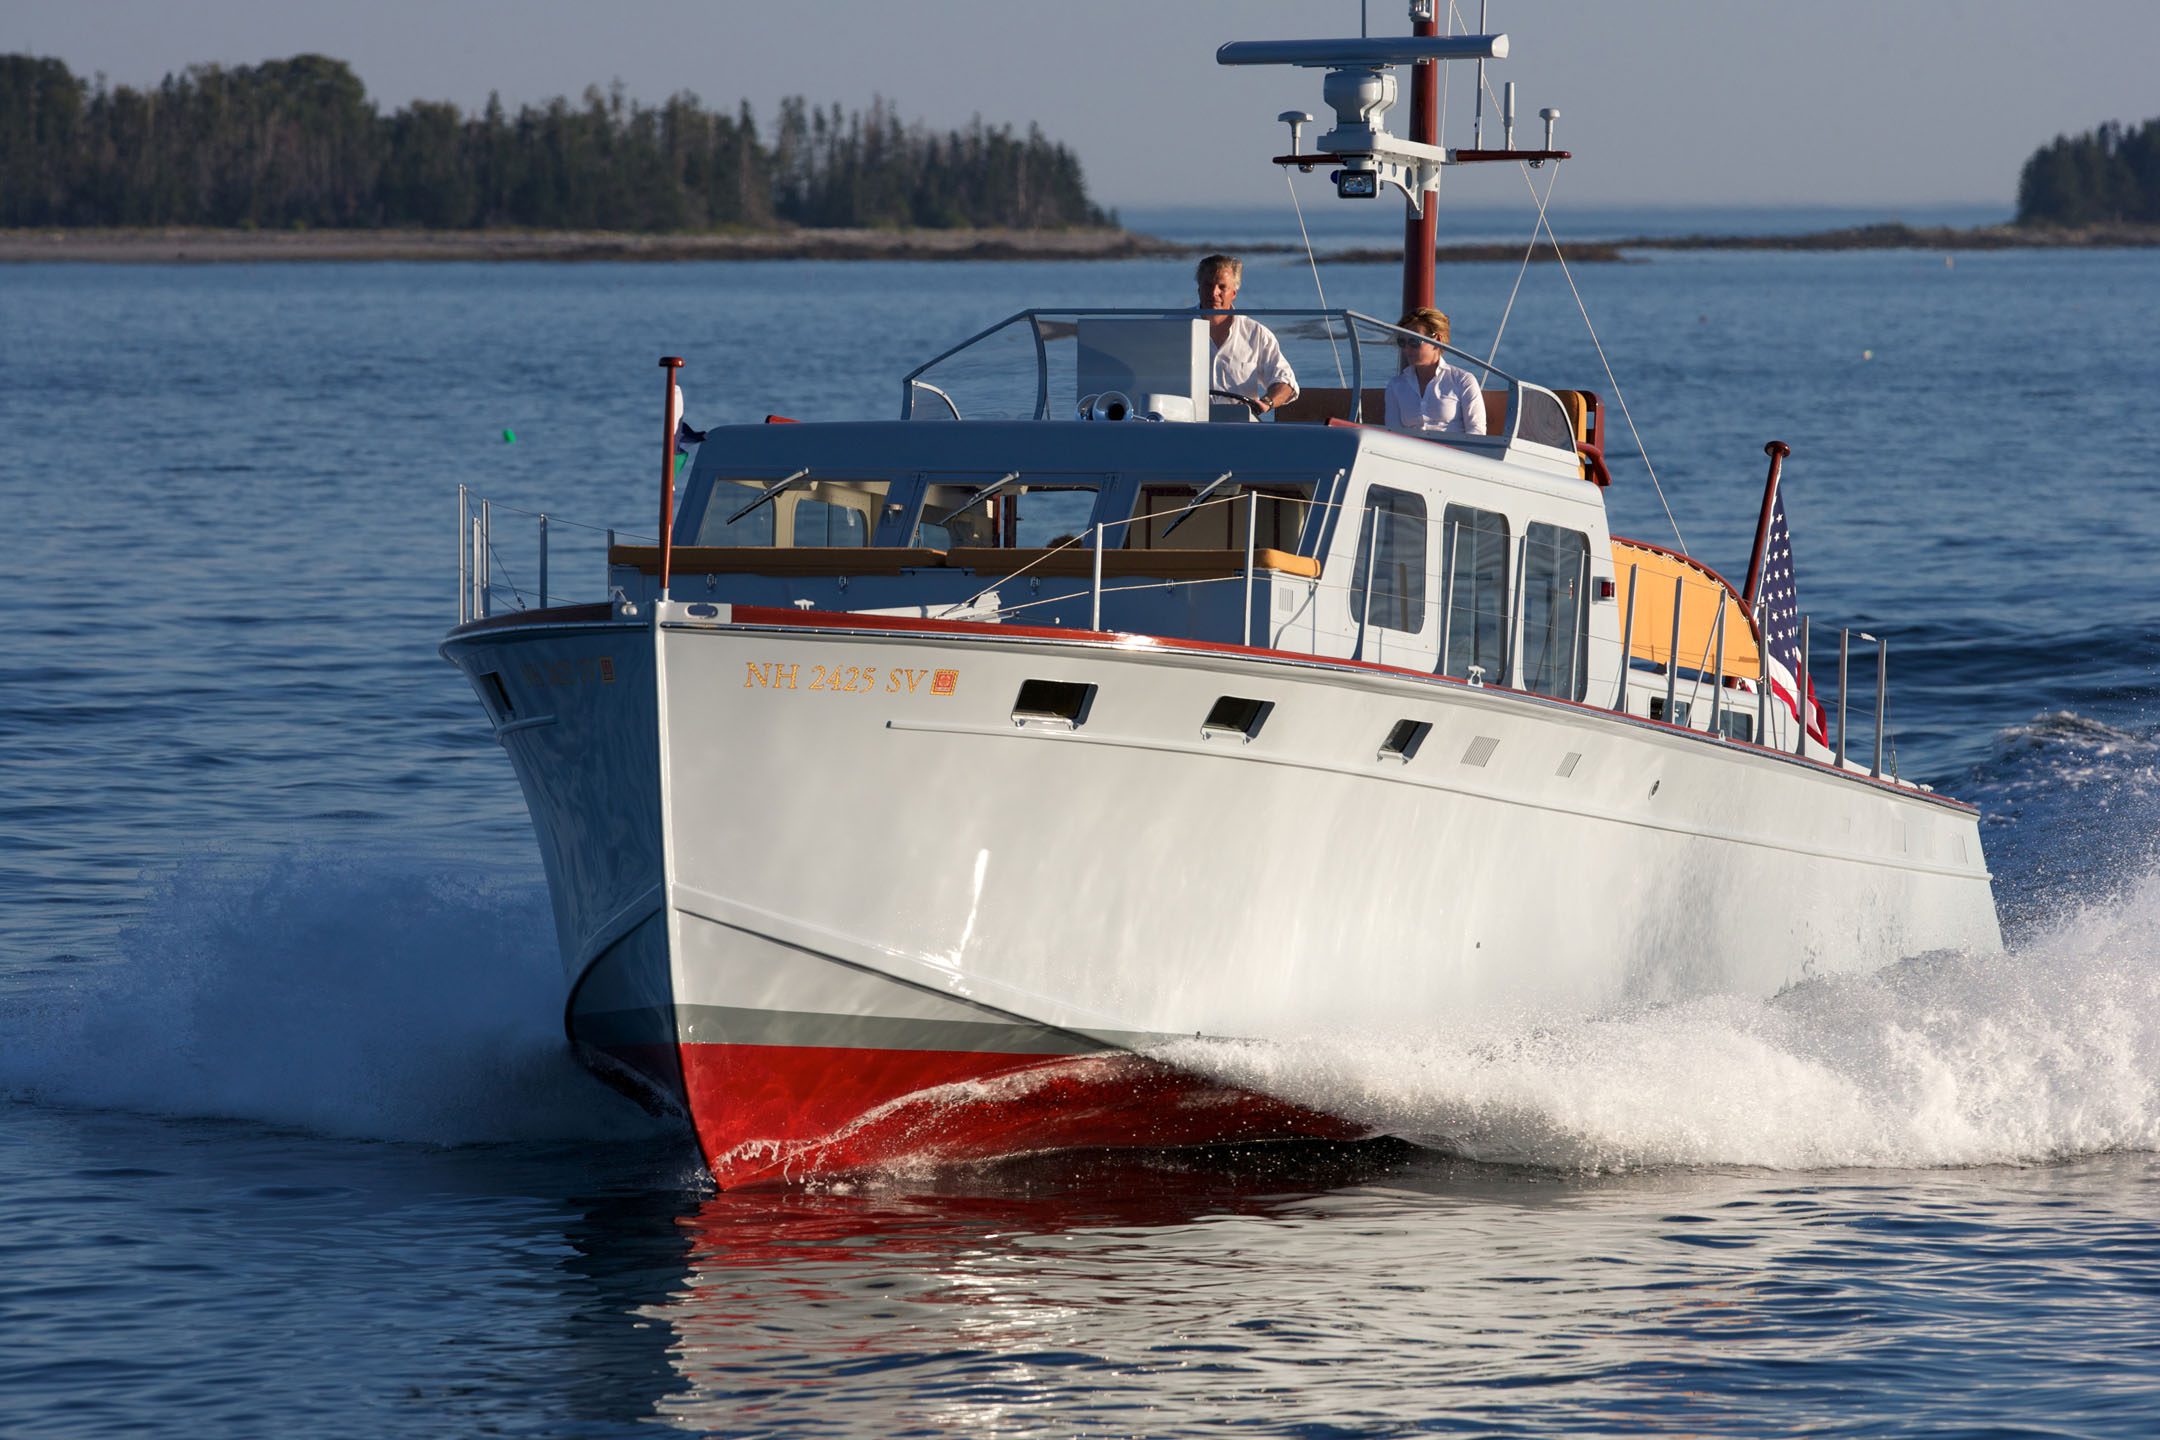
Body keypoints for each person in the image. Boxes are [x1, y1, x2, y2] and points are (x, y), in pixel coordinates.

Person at [1195, 254, 1297, 418]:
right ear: (1199, 289)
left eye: (1222, 287)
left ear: (1234, 293)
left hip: (1240, 426)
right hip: (1183, 424)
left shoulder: (1256, 333)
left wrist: (1267, 402)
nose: (1214, 293)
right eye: (1208, 285)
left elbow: (1286, 382)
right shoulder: (1172, 326)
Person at [1384, 307, 1486, 435]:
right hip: (1408, 448)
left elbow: (1477, 432)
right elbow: (1393, 433)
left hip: (1453, 448)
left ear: (1436, 340)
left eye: (1414, 342)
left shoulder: (1463, 381)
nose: (1407, 349)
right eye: (1402, 342)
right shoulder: (1396, 385)